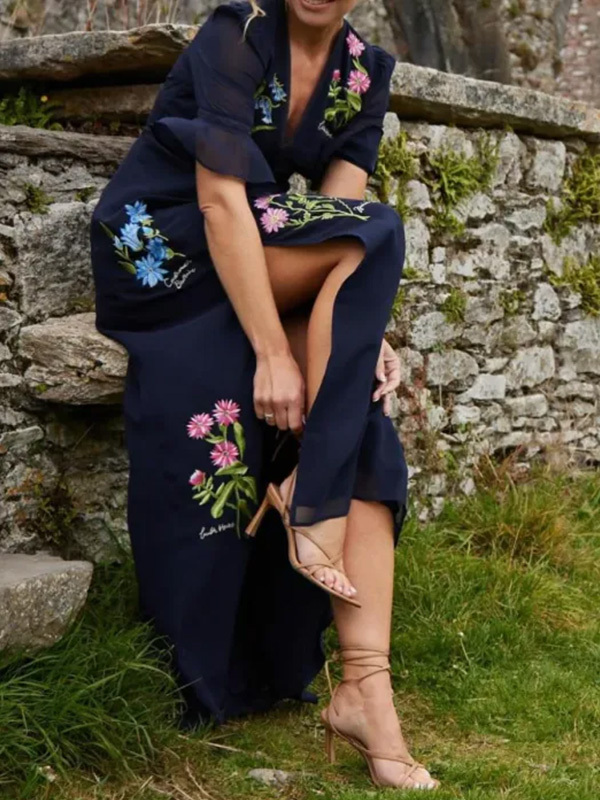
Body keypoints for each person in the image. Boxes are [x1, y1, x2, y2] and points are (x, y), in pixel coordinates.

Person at [90, 0, 438, 789]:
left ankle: (366, 686)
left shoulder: (365, 72)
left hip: (255, 239)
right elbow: (219, 200)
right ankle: (309, 513)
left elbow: (339, 222)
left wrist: (360, 320)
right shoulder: (237, 33)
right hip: (166, 242)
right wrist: (275, 353)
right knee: (380, 234)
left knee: (361, 403)